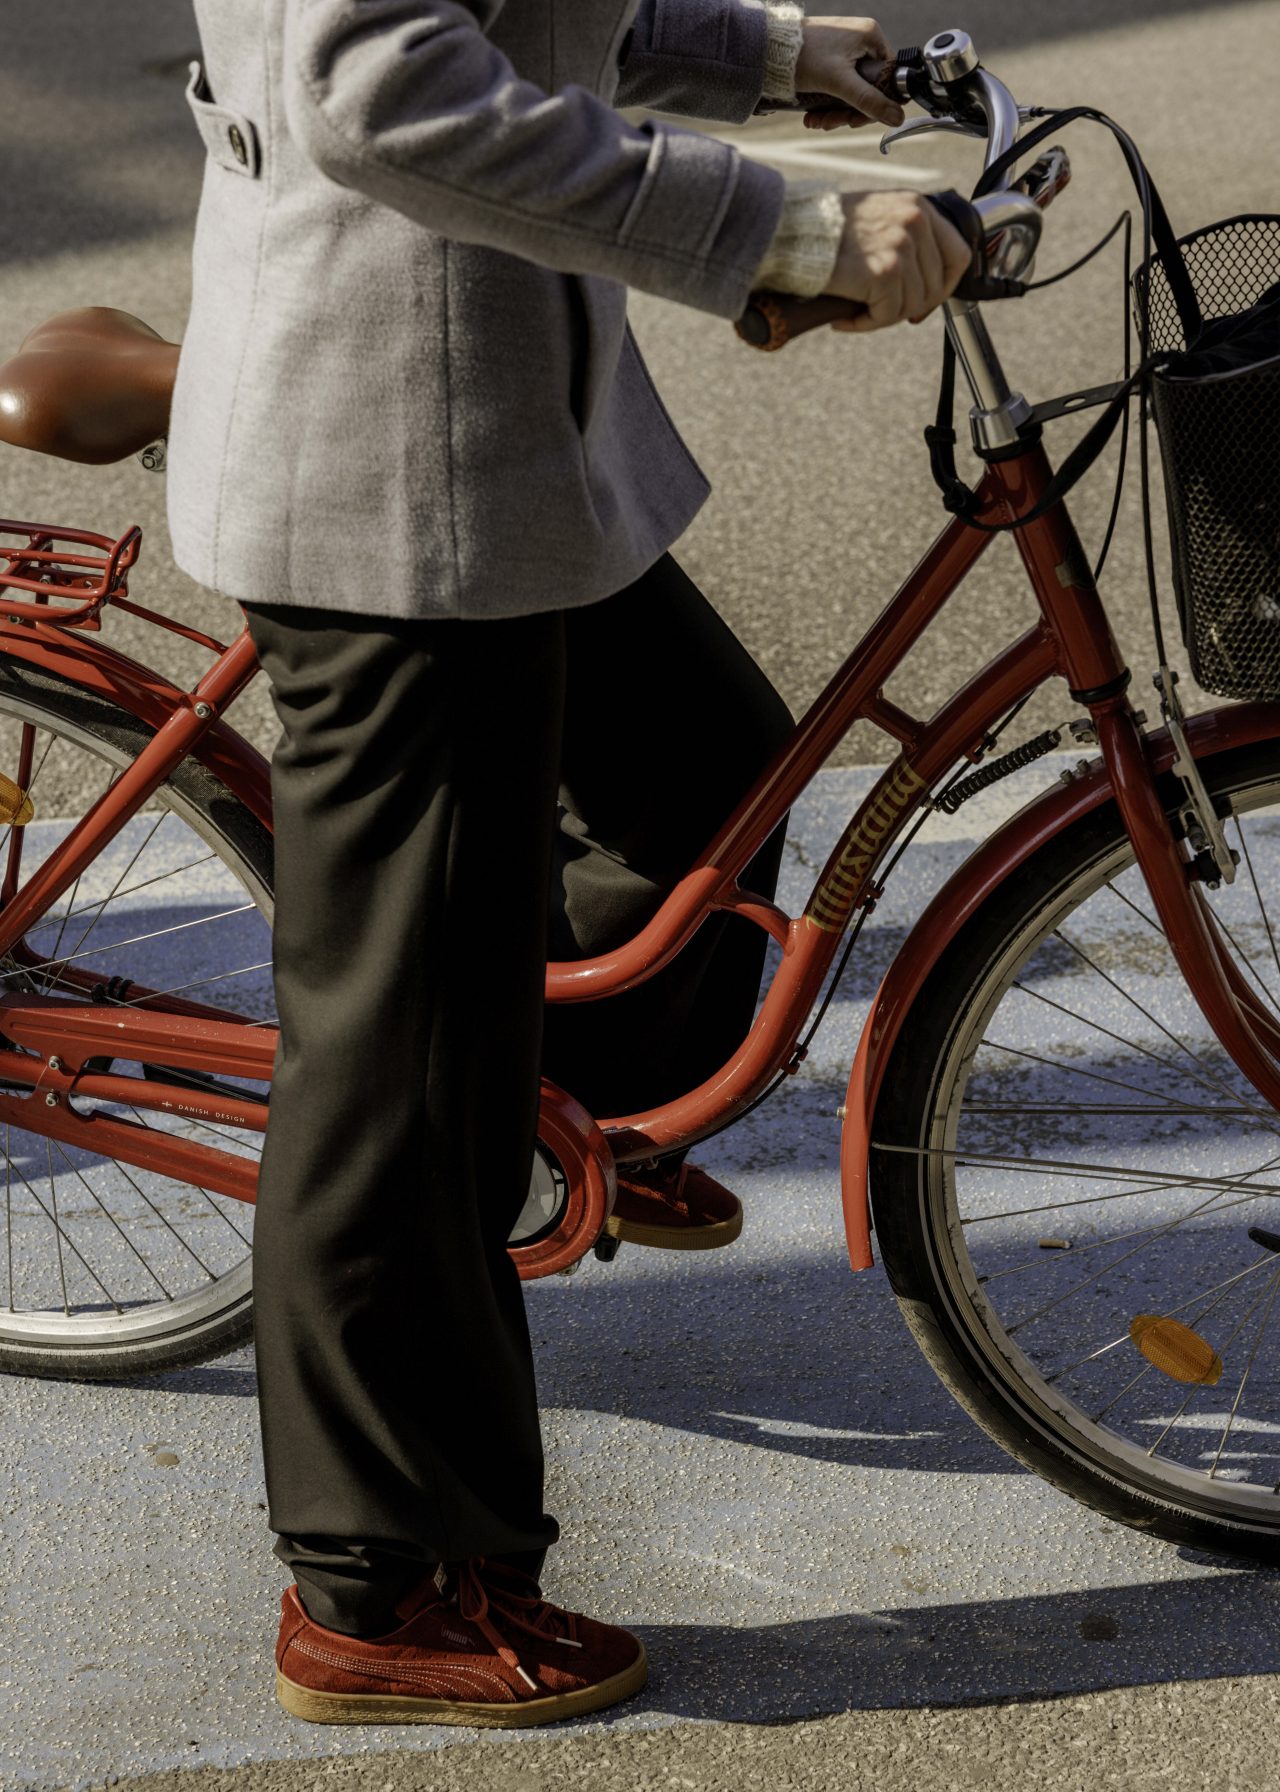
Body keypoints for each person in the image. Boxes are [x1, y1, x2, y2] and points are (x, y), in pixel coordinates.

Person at [165, 0, 970, 1728]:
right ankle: (378, 1586)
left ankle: (538, 1128)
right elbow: (381, 81)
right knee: (404, 1061)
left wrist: (756, 50)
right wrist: (785, 223)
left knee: (712, 806)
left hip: (511, 425)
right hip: (396, 470)